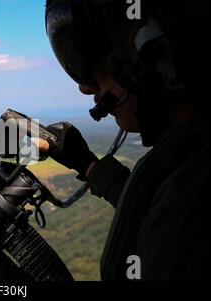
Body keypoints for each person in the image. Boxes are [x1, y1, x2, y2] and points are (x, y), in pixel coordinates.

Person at [34, 0, 210, 280]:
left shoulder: (190, 204)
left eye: (84, 59)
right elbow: (147, 210)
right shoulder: (190, 155)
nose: (85, 86)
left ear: (148, 49)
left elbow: (164, 216)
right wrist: (87, 164)